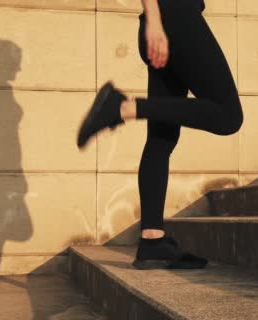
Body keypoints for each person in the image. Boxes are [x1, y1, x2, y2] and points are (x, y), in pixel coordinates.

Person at [76, 0, 243, 269]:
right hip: (175, 17)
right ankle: (121, 108)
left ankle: (152, 240)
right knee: (228, 115)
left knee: (162, 137)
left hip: (167, 20)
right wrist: (155, 19)